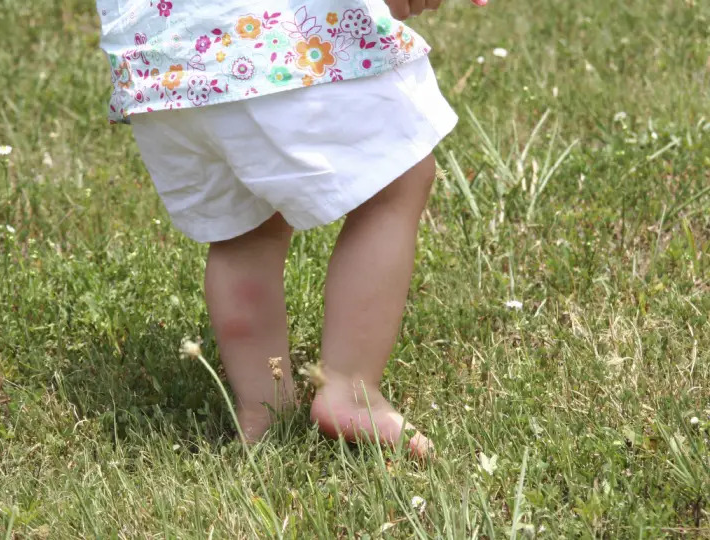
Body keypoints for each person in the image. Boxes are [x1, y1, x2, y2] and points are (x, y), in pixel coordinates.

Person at [96, 0, 488, 458]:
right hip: (270, 47)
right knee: (398, 181)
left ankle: (264, 409)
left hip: (162, 70)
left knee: (244, 232)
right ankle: (350, 390)